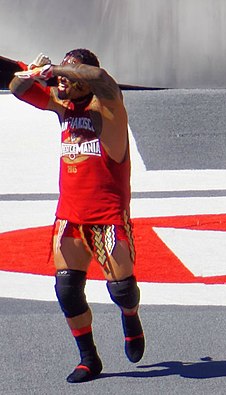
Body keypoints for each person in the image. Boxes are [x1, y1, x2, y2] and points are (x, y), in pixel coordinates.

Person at [9, 49, 144, 383]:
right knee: (67, 289)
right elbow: (16, 87)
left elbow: (102, 80)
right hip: (70, 216)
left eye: (70, 76)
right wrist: (35, 74)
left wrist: (58, 69)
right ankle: (89, 357)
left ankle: (130, 316)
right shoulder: (63, 106)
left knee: (122, 290)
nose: (61, 81)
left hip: (107, 217)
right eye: (61, 77)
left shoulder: (109, 107)